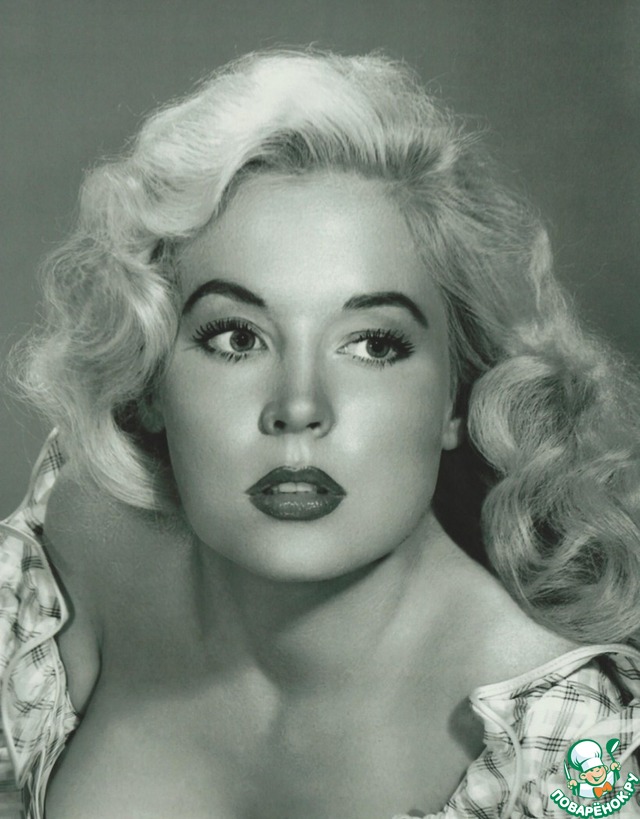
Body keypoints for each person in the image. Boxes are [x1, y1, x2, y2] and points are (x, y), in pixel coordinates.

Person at [1, 49, 639, 819]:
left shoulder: (568, 742)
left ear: (456, 398)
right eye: (237, 337)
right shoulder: (79, 548)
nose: (299, 406)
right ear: (153, 377)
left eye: (372, 344)